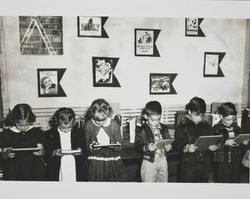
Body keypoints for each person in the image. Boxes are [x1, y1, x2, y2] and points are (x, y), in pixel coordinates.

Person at [174, 97, 217, 183]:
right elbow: (177, 143)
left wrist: (213, 146)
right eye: (196, 115)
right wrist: (186, 148)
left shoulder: (205, 125)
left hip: (205, 162)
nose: (199, 118)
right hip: (189, 164)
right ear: (189, 112)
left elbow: (211, 139)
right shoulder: (182, 126)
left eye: (201, 115)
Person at [0, 103, 45, 181]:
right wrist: (7, 154)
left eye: (26, 124)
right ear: (14, 121)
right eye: (20, 125)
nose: (24, 127)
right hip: (14, 170)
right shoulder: (6, 134)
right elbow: (3, 154)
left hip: (34, 168)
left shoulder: (36, 132)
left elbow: (42, 150)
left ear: (31, 120)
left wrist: (41, 152)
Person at [84, 98, 125, 181]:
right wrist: (92, 147)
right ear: (92, 115)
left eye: (103, 120)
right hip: (95, 159)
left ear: (108, 113)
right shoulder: (88, 125)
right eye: (97, 120)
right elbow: (87, 146)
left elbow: (120, 144)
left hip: (111, 158)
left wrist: (115, 145)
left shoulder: (114, 124)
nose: (100, 123)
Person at [44, 107, 87, 181]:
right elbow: (46, 152)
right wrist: (53, 152)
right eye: (63, 128)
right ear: (57, 122)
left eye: (69, 128)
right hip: (58, 167)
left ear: (73, 123)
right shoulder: (50, 134)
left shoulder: (79, 133)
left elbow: (85, 150)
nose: (66, 130)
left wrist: (81, 151)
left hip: (74, 165)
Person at [135, 101, 172, 182]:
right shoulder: (142, 130)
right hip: (149, 161)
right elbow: (137, 146)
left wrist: (169, 147)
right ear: (145, 116)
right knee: (148, 183)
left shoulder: (164, 128)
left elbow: (168, 140)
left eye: (158, 119)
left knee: (163, 181)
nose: (156, 122)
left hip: (163, 159)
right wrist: (147, 148)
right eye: (153, 120)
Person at [212, 102, 249, 183]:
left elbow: (240, 144)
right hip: (222, 163)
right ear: (221, 116)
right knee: (223, 182)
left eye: (233, 118)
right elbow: (212, 146)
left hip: (235, 161)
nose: (231, 121)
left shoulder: (237, 128)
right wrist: (225, 142)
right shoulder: (216, 129)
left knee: (235, 180)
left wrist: (244, 143)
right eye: (228, 119)